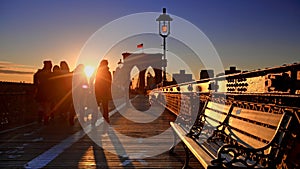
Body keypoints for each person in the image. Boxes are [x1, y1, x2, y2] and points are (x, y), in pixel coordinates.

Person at [33, 60, 53, 124]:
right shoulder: (50, 74)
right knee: (47, 106)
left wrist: (36, 86)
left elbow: (35, 80)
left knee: (41, 105)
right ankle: (45, 119)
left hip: (40, 89)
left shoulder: (39, 72)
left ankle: (40, 118)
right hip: (48, 90)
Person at [95, 59, 112, 133]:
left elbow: (96, 81)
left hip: (98, 90)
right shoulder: (108, 72)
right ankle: (106, 119)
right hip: (104, 91)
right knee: (105, 106)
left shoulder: (98, 72)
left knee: (96, 105)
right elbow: (110, 82)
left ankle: (94, 119)